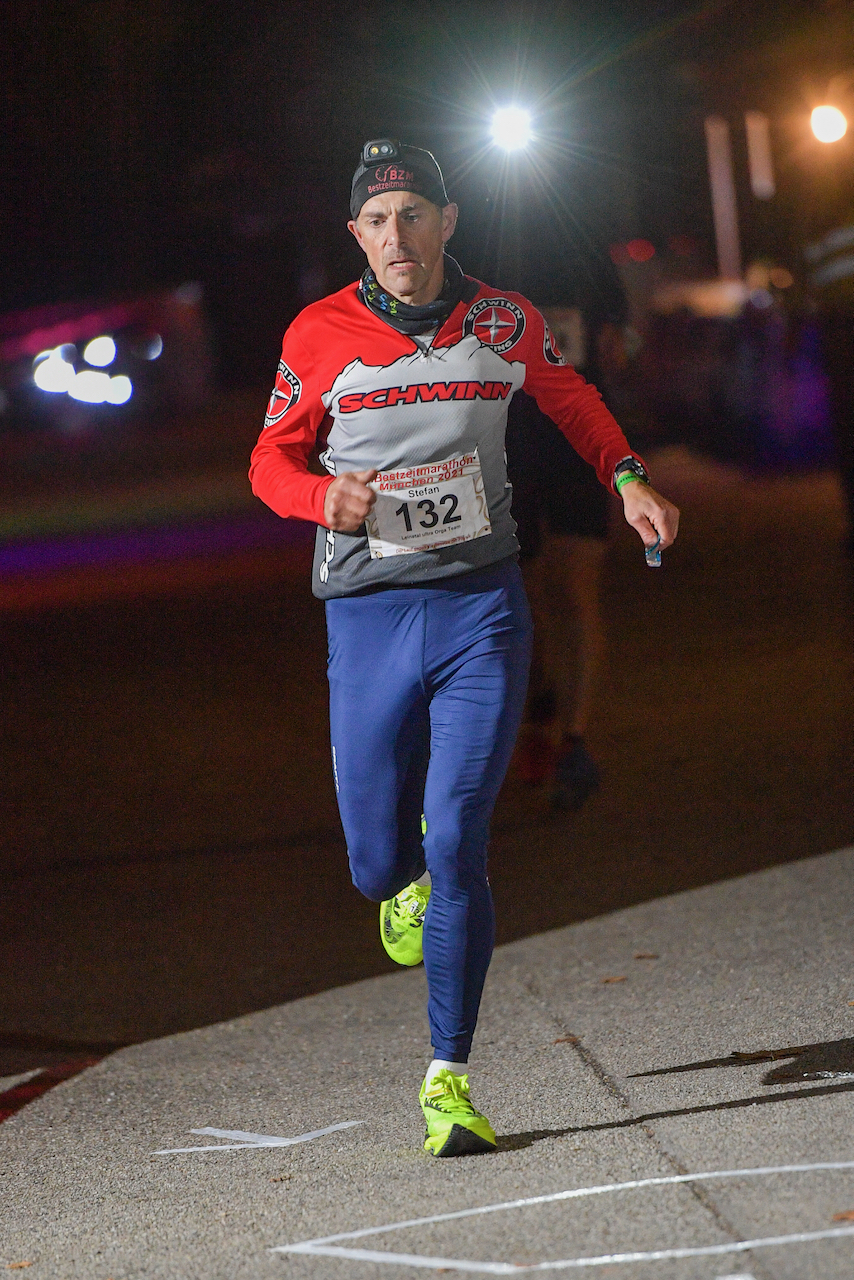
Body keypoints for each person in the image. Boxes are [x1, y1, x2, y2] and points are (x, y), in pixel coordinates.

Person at [249, 140, 679, 1157]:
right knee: (375, 860)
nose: (396, 235)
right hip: (366, 614)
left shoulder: (505, 320)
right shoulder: (316, 335)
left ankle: (447, 1076)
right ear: (356, 235)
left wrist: (628, 481)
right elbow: (268, 460)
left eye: (412, 213)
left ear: (448, 221)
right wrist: (323, 497)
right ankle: (390, 883)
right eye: (376, 220)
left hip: (483, 608)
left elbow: (571, 402)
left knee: (457, 840)